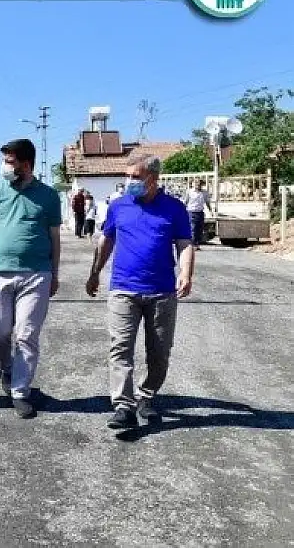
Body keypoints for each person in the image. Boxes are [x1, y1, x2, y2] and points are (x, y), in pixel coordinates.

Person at [86, 154, 195, 429]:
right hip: (123, 289)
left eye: (136, 177)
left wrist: (186, 273)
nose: (129, 181)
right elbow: (106, 241)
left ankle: (146, 397)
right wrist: (95, 273)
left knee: (159, 352)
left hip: (161, 292)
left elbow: (184, 244)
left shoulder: (174, 208)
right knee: (120, 348)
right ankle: (123, 405)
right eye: (128, 176)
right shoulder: (118, 206)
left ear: (153, 179)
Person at [0, 139, 62, 419]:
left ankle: (20, 391)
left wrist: (55, 273)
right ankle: (7, 366)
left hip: (37, 275)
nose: (5, 167)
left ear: (26, 164)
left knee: (26, 335)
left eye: (10, 162)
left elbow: (55, 237)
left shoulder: (48, 196)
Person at [184, 179, 212, 249]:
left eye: (199, 184)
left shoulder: (204, 193)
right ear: (193, 184)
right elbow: (185, 201)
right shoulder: (189, 192)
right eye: (195, 183)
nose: (197, 185)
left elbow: (207, 202)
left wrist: (210, 210)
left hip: (200, 212)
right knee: (193, 228)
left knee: (199, 229)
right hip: (192, 212)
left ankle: (197, 244)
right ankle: (192, 245)